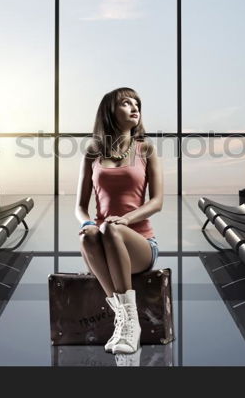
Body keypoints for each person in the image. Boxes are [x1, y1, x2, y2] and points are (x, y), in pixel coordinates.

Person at [75, 87, 163, 356]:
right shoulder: (92, 152)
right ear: (110, 111)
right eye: (126, 103)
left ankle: (131, 325)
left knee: (111, 228)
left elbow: (156, 202)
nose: (134, 107)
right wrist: (86, 223)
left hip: (141, 245)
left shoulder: (146, 149)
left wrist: (125, 220)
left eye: (137, 103)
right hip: (102, 241)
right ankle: (124, 320)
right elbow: (80, 206)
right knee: (87, 236)